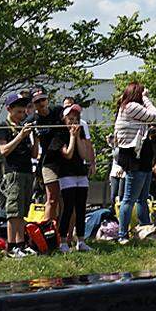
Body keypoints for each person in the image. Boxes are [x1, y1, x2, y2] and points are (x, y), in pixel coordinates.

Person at [113, 81, 156, 244]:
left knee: (143, 198)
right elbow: (155, 115)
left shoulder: (128, 107)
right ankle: (122, 235)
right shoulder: (130, 106)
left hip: (142, 156)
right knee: (129, 199)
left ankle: (145, 229)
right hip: (134, 158)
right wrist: (146, 98)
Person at [0, 91, 39, 258]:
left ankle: (21, 243)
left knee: (23, 210)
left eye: (23, 111)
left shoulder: (23, 127)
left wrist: (35, 136)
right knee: (13, 211)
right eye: (18, 111)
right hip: (13, 173)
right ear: (9, 109)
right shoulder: (3, 127)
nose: (22, 114)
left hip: (28, 171)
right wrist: (20, 136)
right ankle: (11, 245)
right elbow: (3, 150)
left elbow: (34, 154)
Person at [56, 103, 94, 253]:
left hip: (80, 173)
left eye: (76, 119)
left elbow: (84, 154)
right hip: (66, 174)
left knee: (81, 208)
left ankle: (81, 241)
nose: (73, 122)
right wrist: (72, 137)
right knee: (68, 208)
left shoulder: (81, 132)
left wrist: (77, 137)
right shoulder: (59, 135)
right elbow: (68, 154)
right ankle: (63, 241)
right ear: (64, 119)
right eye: (70, 119)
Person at [31, 89, 64, 224]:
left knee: (67, 199)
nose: (41, 103)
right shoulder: (33, 119)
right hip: (48, 162)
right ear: (33, 104)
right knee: (51, 198)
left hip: (65, 159)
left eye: (43, 99)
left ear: (47, 99)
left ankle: (68, 235)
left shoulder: (58, 111)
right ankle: (47, 230)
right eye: (37, 101)